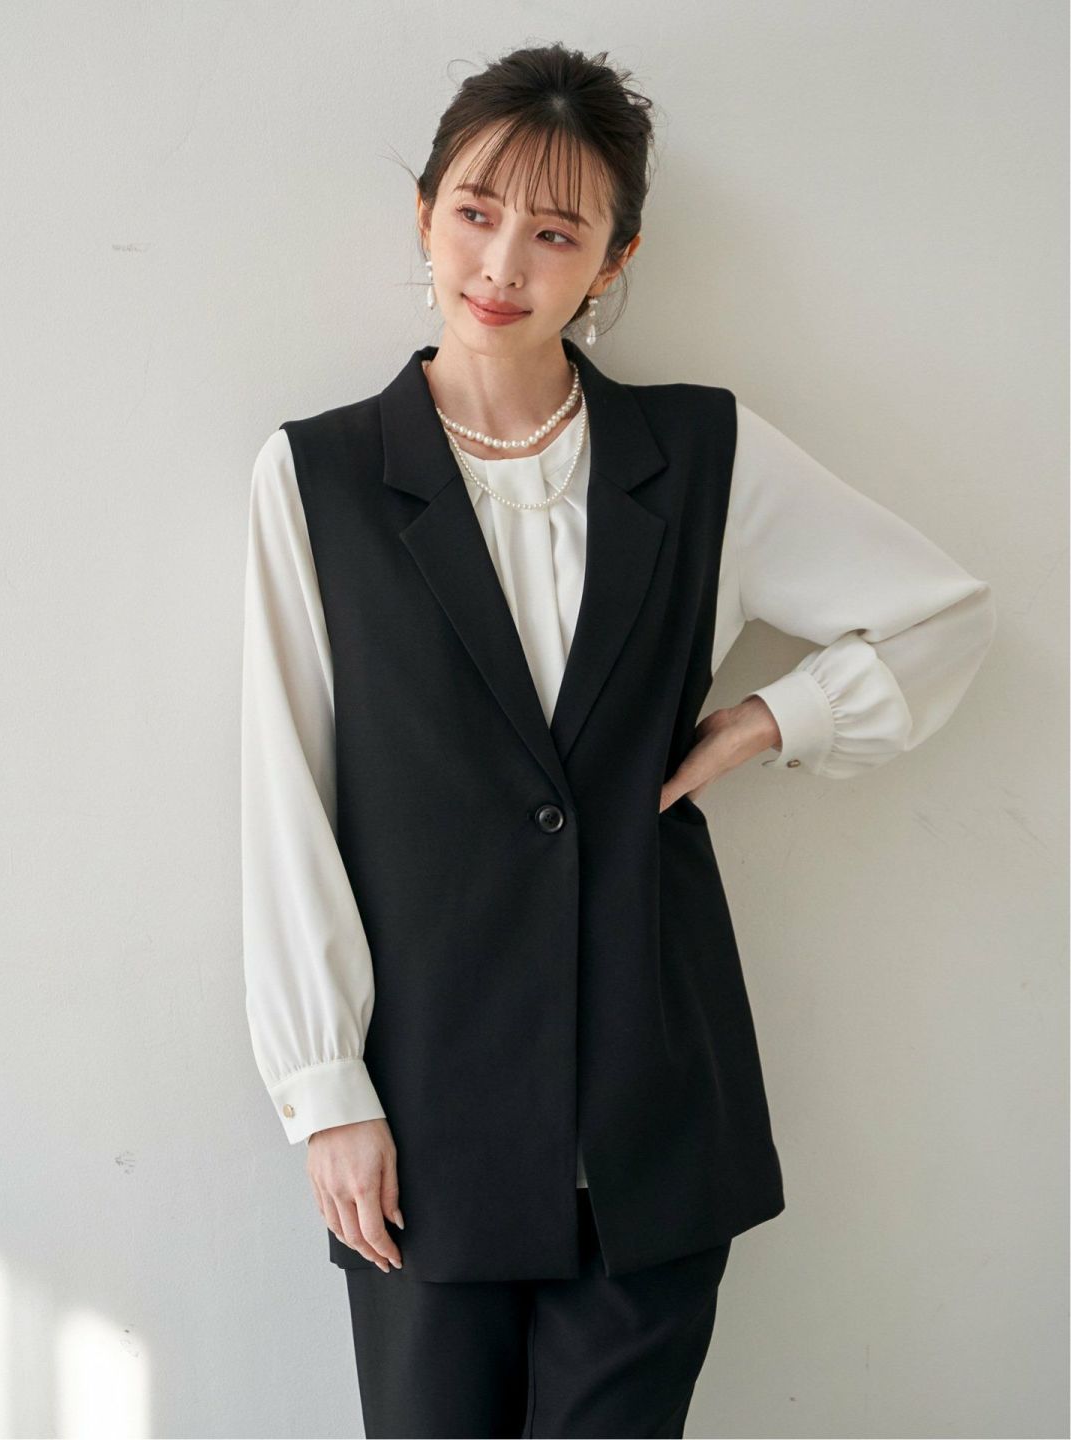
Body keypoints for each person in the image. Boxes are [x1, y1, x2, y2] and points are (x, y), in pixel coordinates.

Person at [240, 42, 997, 1440]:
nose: (502, 263)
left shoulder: (700, 454)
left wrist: (774, 719)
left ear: (614, 256)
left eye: (555, 230)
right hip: (425, 1104)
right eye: (476, 213)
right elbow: (284, 794)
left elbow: (942, 615)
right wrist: (322, 1089)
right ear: (424, 215)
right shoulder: (320, 476)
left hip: (652, 1104)